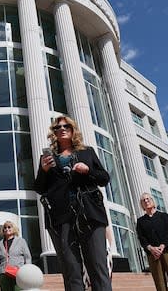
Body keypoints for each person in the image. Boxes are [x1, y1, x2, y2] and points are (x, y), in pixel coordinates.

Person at [34, 115, 112, 291]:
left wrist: (88, 170)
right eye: (57, 127)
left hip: (89, 213)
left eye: (66, 126)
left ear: (72, 129)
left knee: (98, 266)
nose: (62, 129)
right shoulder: (47, 158)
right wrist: (44, 171)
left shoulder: (87, 152)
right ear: (53, 133)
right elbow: (39, 188)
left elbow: (104, 178)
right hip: (62, 218)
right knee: (71, 270)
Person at [136, 192, 168, 291]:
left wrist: (162, 246)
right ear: (142, 205)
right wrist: (151, 248)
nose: (146, 201)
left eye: (148, 199)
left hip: (167, 252)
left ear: (153, 201)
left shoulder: (164, 216)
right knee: (160, 285)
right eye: (143, 200)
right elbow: (142, 238)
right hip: (153, 255)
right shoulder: (140, 221)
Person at [0, 220, 31, 291]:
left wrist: (26, 271)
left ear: (13, 228)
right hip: (3, 273)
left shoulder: (21, 241)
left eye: (9, 227)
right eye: (5, 228)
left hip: (18, 272)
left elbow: (27, 257)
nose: (7, 229)